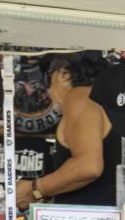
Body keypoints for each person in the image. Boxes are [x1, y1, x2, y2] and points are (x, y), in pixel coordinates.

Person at [16, 54, 116, 208]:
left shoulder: (79, 96)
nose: (47, 89)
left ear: (64, 74)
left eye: (47, 77)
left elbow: (88, 167)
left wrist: (35, 189)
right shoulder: (112, 105)